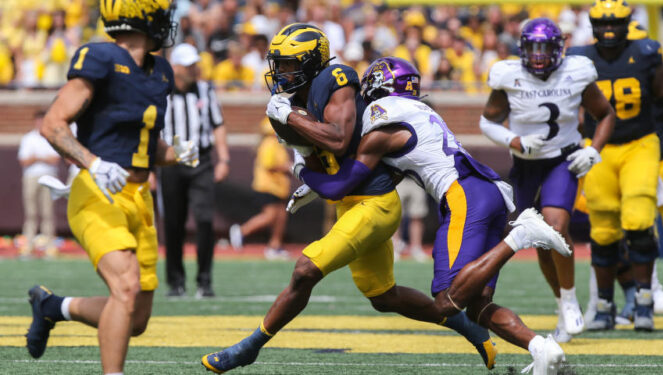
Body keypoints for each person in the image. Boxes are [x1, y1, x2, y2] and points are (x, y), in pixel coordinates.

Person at [202, 24, 563, 374]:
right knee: (402, 298)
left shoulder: (364, 101)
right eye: (278, 64)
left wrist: (301, 163)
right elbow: (356, 160)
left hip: (415, 199)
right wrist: (304, 149)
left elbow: (340, 161)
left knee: (308, 271)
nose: (281, 72)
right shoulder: (412, 113)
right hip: (477, 189)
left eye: (289, 64)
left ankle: (249, 348)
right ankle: (536, 347)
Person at [293, 56, 573, 375]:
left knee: (446, 301)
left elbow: (341, 184)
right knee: (478, 305)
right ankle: (543, 350)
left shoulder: (379, 120)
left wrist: (305, 172)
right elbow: (391, 173)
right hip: (489, 191)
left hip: (465, 195)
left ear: (379, 85)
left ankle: (521, 235)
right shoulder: (419, 112)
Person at [24, 1, 199, 374]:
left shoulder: (160, 72)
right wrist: (93, 163)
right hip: (97, 192)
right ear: (141, 14)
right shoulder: (100, 57)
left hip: (140, 198)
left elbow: (147, 150)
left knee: (135, 318)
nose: (167, 20)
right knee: (125, 287)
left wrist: (177, 152)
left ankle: (53, 307)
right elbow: (53, 125)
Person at [480, 18, 615, 343]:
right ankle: (561, 304)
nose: (538, 55)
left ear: (559, 49)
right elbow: (487, 122)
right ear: (522, 49)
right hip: (526, 164)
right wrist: (514, 140)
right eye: (532, 48)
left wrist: (594, 150)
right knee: (538, 239)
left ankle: (570, 301)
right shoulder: (508, 75)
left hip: (561, 159)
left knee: (555, 226)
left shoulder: (577, 71)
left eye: (544, 48)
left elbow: (606, 114)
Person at [567, 0, 663, 332]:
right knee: (603, 230)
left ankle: (645, 299)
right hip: (599, 149)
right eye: (602, 26)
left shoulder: (646, 53)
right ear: (592, 27)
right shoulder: (579, 59)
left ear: (626, 24)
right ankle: (605, 305)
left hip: (639, 144)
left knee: (638, 220)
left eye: (614, 25)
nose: (608, 32)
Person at [159, 42, 230, 298]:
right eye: (188, 65)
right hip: (170, 161)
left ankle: (204, 281)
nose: (193, 69)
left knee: (204, 220)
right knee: (173, 224)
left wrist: (223, 159)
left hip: (201, 161)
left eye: (194, 65)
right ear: (175, 67)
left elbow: (218, 124)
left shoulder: (205, 90)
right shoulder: (161, 91)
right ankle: (176, 282)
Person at [229, 118, 291, 260]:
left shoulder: (276, 144)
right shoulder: (269, 143)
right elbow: (269, 165)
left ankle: (275, 246)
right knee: (270, 216)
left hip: (279, 187)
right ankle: (242, 231)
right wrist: (288, 167)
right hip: (268, 186)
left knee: (281, 217)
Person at [18, 110, 61, 258]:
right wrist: (42, 158)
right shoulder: (28, 138)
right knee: (31, 212)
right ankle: (28, 246)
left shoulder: (53, 137)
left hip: (49, 177)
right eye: (39, 120)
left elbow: (55, 159)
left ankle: (49, 247)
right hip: (31, 177)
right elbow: (24, 161)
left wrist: (35, 158)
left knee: (48, 212)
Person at [392, 173, 429, 262]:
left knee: (417, 216)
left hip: (416, 178)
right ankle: (395, 248)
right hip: (398, 178)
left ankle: (416, 248)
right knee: (395, 216)